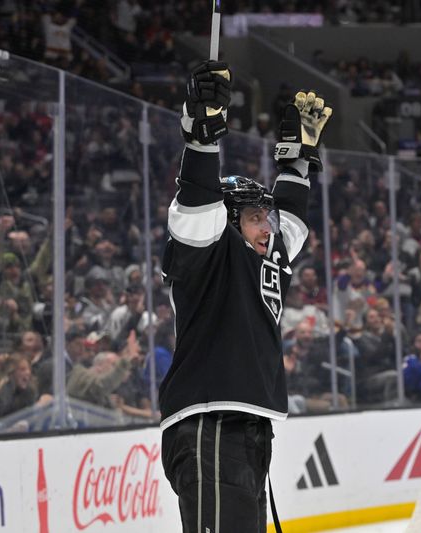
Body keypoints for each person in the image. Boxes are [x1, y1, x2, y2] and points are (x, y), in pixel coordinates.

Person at [158, 61, 332, 533]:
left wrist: (296, 163)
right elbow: (196, 206)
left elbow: (292, 223)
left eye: (266, 218)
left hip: (246, 429)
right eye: (256, 217)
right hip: (210, 423)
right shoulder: (208, 252)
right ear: (230, 222)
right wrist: (203, 136)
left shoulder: (269, 257)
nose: (267, 227)